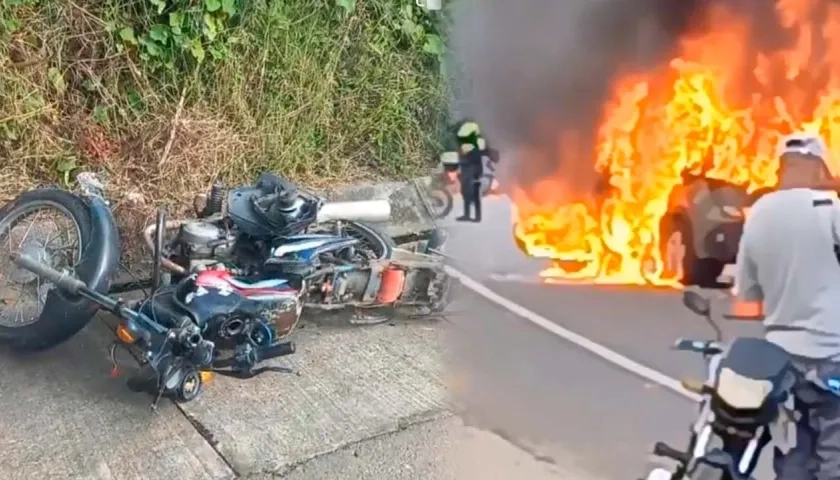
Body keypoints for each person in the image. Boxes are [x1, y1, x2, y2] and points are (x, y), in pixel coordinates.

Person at [732, 132, 840, 480]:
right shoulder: (830, 210)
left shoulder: (759, 214)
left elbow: (747, 294)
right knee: (834, 453)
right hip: (834, 355)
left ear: (782, 168)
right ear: (817, 168)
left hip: (781, 361)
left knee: (792, 453)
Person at [453, 120, 486, 222]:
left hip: (473, 174)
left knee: (475, 195)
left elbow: (477, 162)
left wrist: (477, 174)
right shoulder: (466, 147)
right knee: (465, 194)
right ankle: (467, 215)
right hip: (466, 174)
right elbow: (462, 160)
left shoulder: (474, 147)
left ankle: (477, 217)